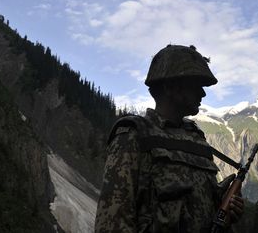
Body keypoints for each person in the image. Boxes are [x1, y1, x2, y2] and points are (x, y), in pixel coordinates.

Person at [95, 44, 244, 233]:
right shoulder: (133, 136)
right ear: (170, 87)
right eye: (195, 85)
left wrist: (227, 212)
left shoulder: (196, 139)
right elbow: (112, 223)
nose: (203, 93)